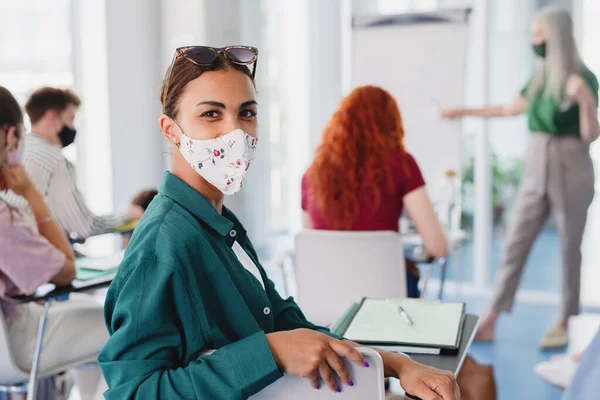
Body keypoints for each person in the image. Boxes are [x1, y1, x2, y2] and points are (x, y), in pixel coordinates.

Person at [98, 46, 460, 400]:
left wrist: (397, 363)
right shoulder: (163, 246)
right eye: (211, 114)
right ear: (170, 129)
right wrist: (268, 352)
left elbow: (285, 323)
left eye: (247, 113)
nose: (235, 132)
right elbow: (134, 391)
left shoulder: (219, 224)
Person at [442, 6, 599, 348]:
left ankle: (564, 320)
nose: (533, 40)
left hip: (572, 163)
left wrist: (585, 100)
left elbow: (591, 134)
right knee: (516, 241)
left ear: (554, 35)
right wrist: (463, 111)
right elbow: (505, 109)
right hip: (537, 160)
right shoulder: (541, 76)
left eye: (538, 33)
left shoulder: (582, 78)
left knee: (570, 248)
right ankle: (492, 317)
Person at [0, 86, 107, 400]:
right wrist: (31, 194)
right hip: (18, 346)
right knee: (136, 327)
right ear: (10, 137)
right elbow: (66, 272)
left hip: (13, 333)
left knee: (90, 310)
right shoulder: (4, 217)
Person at [302, 85, 449, 297]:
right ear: (390, 123)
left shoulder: (312, 173)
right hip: (386, 302)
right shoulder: (402, 164)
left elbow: (312, 246)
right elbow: (437, 247)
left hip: (327, 299)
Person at [1, 87, 127, 240]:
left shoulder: (14, 152)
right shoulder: (54, 160)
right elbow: (84, 226)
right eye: (71, 118)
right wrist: (128, 216)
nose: (73, 128)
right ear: (51, 117)